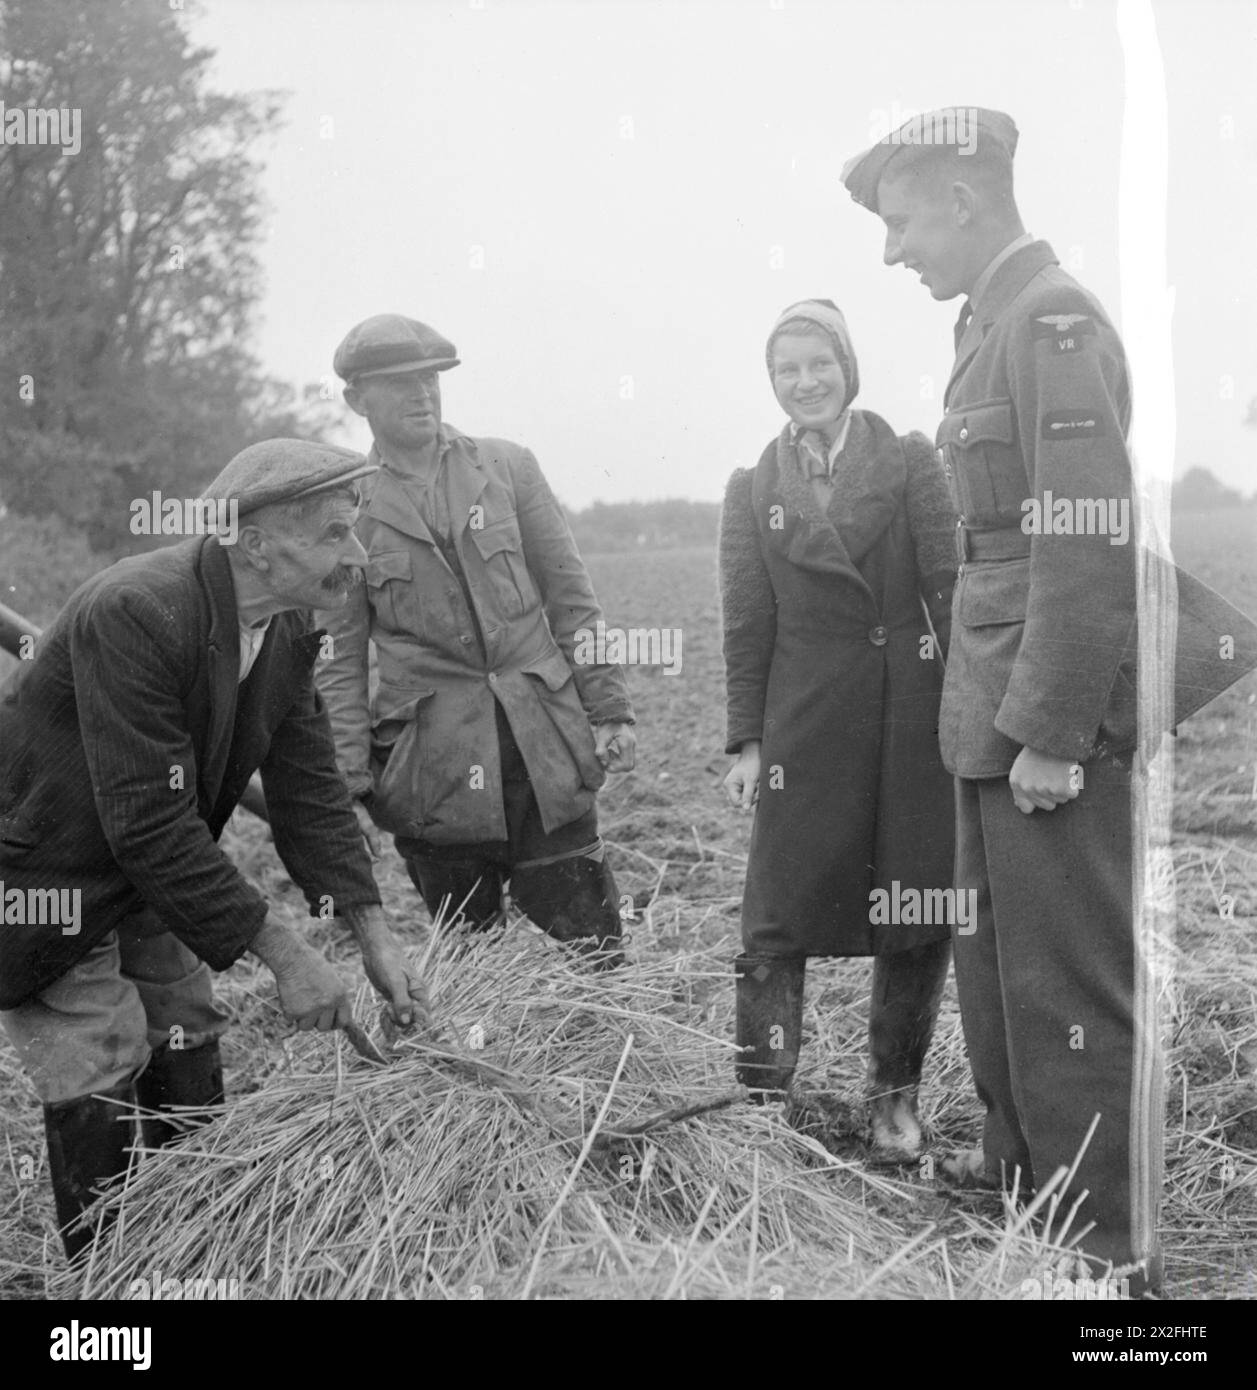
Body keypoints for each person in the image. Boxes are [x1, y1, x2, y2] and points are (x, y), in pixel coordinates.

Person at [841, 105, 1257, 1291]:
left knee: (1066, 981)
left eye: (903, 221)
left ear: (966, 200)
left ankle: (1109, 1255)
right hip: (992, 705)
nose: (893, 251)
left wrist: (1052, 734)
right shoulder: (992, 322)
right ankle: (1031, 1195)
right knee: (996, 971)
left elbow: (1086, 546)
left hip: (1036, 718)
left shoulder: (1052, 320)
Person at [0, 439, 428, 1259]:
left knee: (185, 1018)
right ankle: (115, 1278)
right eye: (336, 534)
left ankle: (195, 1237)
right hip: (44, 867)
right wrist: (285, 953)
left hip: (146, 862)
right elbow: (148, 822)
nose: (358, 556)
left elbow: (307, 789)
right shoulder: (139, 609)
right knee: (100, 1046)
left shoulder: (288, 625)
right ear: (258, 543)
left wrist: (373, 934)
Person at [317, 315, 635, 964]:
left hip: (540, 749)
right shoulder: (344, 507)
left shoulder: (507, 467)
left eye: (430, 379)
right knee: (469, 962)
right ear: (355, 400)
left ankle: (602, 1055)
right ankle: (482, 1058)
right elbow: (340, 662)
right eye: (399, 383)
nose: (421, 395)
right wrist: (346, 781)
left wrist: (609, 709)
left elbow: (574, 602)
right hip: (431, 773)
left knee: (593, 947)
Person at [719, 298, 957, 1162]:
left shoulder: (908, 460)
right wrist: (748, 743)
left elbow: (951, 590)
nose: (804, 382)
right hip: (805, 725)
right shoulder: (752, 489)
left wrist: (965, 712)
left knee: (916, 907)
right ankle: (759, 1108)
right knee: (774, 919)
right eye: (787, 368)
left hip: (907, 713)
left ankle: (892, 1103)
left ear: (846, 368)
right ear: (772, 382)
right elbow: (746, 624)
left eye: (818, 363)